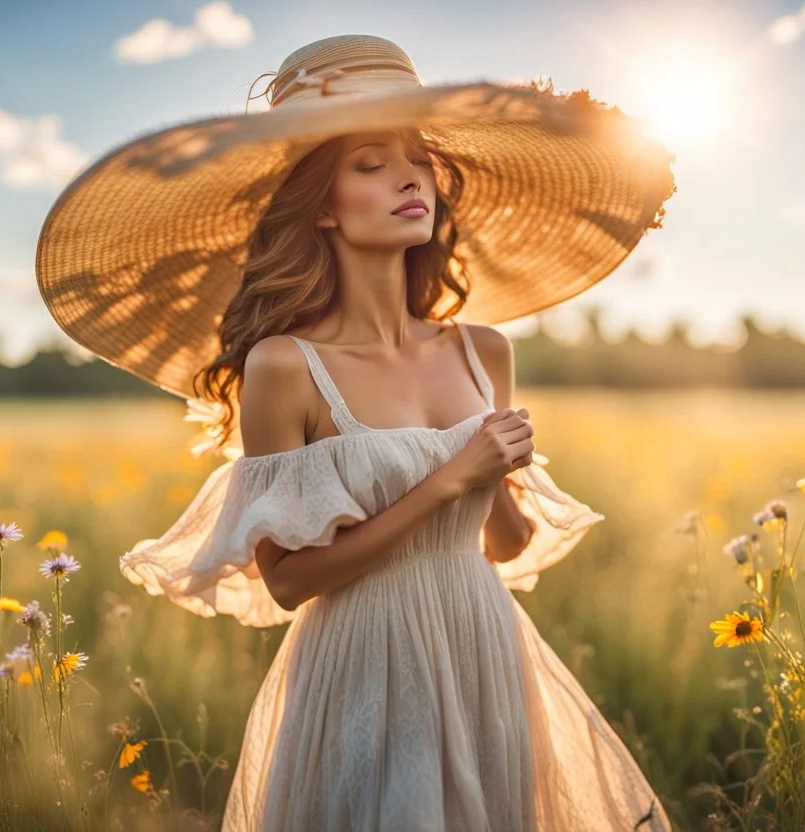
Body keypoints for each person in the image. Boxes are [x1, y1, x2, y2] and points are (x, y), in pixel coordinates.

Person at [36, 33, 675, 832]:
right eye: (372, 163)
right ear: (325, 207)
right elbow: (290, 582)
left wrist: (499, 472)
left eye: (417, 159)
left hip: (484, 650)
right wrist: (450, 476)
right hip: (365, 666)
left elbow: (504, 545)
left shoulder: (484, 351)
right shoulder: (285, 366)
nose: (411, 177)